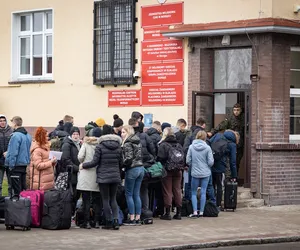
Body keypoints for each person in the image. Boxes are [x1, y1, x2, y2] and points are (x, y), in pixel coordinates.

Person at [81, 125, 122, 230]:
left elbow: (95, 162)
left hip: (103, 177)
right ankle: (116, 221)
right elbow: (121, 162)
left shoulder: (100, 146)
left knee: (105, 199)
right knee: (113, 199)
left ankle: (108, 222)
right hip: (115, 176)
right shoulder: (118, 146)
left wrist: (84, 165)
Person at [208, 103, 245, 174]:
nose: (236, 112)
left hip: (240, 143)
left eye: (238, 110)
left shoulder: (244, 118)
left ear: (240, 111)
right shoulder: (230, 118)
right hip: (231, 142)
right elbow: (221, 125)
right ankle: (230, 177)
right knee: (229, 161)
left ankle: (234, 177)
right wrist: (212, 132)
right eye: (234, 110)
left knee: (237, 161)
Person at [77, 127, 102, 229]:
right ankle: (96, 222)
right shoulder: (101, 144)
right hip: (97, 174)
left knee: (86, 200)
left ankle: (86, 222)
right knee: (97, 200)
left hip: (86, 174)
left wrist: (83, 164)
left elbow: (80, 157)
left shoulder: (86, 144)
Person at [128, 118, 155, 211]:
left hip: (133, 166)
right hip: (145, 165)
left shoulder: (129, 137)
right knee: (143, 189)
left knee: (132, 192)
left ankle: (133, 212)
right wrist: (151, 159)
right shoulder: (145, 136)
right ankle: (145, 210)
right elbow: (153, 149)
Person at [186, 131, 214, 218]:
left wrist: (193, 164)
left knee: (193, 192)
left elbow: (188, 161)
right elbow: (210, 162)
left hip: (195, 172)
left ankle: (195, 212)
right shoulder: (208, 148)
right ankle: (201, 212)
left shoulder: (191, 147)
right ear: (205, 138)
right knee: (203, 192)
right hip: (206, 173)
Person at [157, 127, 183, 220]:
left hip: (167, 170)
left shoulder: (163, 145)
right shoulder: (178, 144)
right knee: (177, 190)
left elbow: (160, 157)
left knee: (167, 191)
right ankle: (179, 212)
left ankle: (167, 213)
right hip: (178, 170)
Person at [209, 130, 238, 210]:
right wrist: (234, 175)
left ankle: (211, 203)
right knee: (219, 186)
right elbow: (233, 162)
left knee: (211, 185)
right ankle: (217, 205)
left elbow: (208, 143)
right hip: (220, 167)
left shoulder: (217, 135)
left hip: (211, 164)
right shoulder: (232, 144)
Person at [121, 125, 144, 226]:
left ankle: (132, 217)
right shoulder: (137, 141)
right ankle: (138, 217)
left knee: (129, 194)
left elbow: (128, 158)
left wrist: (122, 164)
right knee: (136, 194)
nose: (121, 134)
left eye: (123, 132)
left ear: (128, 132)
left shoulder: (127, 143)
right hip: (141, 168)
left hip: (132, 169)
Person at [5, 116, 31, 195]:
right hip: (24, 164)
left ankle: (17, 205)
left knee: (16, 190)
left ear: (14, 123)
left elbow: (14, 152)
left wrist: (11, 166)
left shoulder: (15, 135)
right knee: (23, 188)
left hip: (16, 165)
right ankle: (23, 205)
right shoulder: (28, 136)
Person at [61, 126, 82, 214]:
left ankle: (72, 213)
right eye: (74, 134)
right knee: (72, 194)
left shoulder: (79, 144)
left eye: (77, 134)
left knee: (77, 194)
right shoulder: (67, 144)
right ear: (71, 135)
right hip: (71, 173)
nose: (76, 136)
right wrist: (77, 168)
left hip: (78, 173)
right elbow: (66, 160)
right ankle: (69, 213)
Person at [30, 127, 56, 191]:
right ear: (41, 137)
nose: (48, 138)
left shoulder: (46, 148)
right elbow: (38, 165)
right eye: (46, 136)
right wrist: (50, 162)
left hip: (47, 181)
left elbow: (47, 161)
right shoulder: (37, 150)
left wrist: (53, 161)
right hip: (40, 182)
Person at [0, 115, 13, 196]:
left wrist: (9, 152)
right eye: (0, 121)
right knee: (0, 182)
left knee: (10, 182)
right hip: (0, 160)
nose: (2, 122)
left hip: (9, 160)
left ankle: (10, 200)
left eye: (4, 120)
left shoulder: (11, 131)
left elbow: (13, 145)